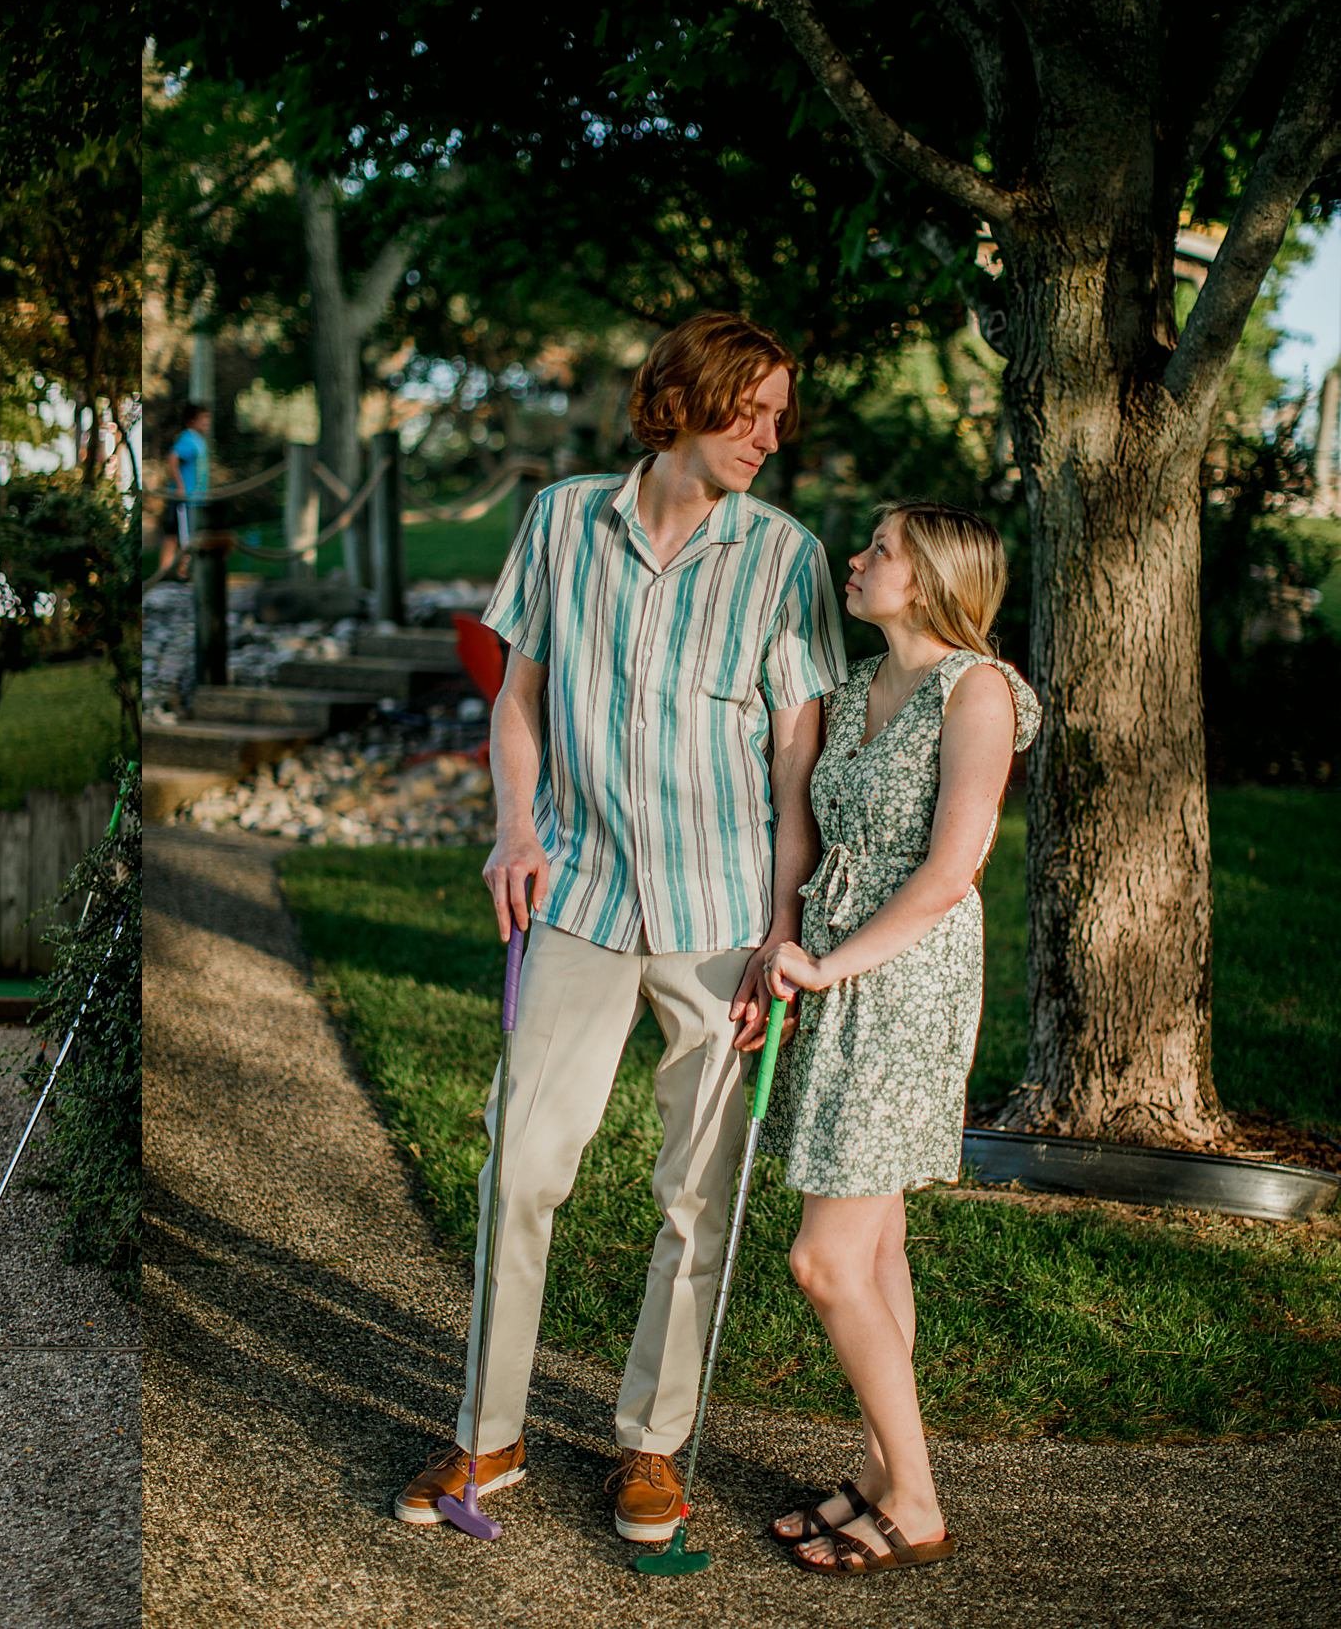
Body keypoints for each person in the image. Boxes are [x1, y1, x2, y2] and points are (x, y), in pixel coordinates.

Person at [390, 310, 848, 1544]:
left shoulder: (785, 555)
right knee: (518, 1166)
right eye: (746, 409)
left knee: (697, 1195)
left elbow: (795, 760)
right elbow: (517, 692)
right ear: (678, 403)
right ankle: (486, 1434)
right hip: (582, 893)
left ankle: (649, 1446)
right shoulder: (560, 518)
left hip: (722, 918)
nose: (768, 434)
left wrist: (781, 926)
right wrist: (513, 827)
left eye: (776, 414)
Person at [757, 501, 1038, 1574]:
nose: (856, 559)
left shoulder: (974, 689)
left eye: (878, 548)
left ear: (923, 578)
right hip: (825, 969)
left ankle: (914, 1497)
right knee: (871, 1247)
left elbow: (948, 870)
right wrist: (783, 944)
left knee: (821, 1259)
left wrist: (828, 962)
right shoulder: (844, 691)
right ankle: (879, 1467)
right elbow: (800, 825)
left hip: (902, 982)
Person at [149, 402, 209, 583]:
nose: (207, 422)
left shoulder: (198, 440)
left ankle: (168, 573)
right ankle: (179, 574)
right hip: (185, 499)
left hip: (194, 498)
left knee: (175, 535)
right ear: (192, 420)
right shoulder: (188, 438)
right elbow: (173, 459)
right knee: (183, 536)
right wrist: (181, 486)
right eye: (203, 419)